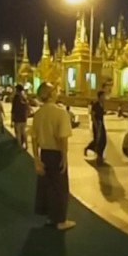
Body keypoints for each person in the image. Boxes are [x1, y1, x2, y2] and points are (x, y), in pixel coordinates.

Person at [30, 82, 75, 231]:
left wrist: (36, 158)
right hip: (56, 154)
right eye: (56, 90)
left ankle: (50, 216)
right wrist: (64, 157)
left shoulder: (39, 113)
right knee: (60, 187)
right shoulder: (60, 113)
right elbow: (63, 138)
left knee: (46, 186)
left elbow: (34, 138)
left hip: (44, 153)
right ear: (51, 94)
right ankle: (61, 220)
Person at [84, 91, 107, 166]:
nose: (104, 97)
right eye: (103, 96)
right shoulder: (96, 105)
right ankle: (98, 157)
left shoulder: (102, 104)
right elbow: (93, 115)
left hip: (101, 124)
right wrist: (96, 125)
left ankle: (99, 155)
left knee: (103, 140)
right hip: (97, 124)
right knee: (98, 140)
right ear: (99, 96)